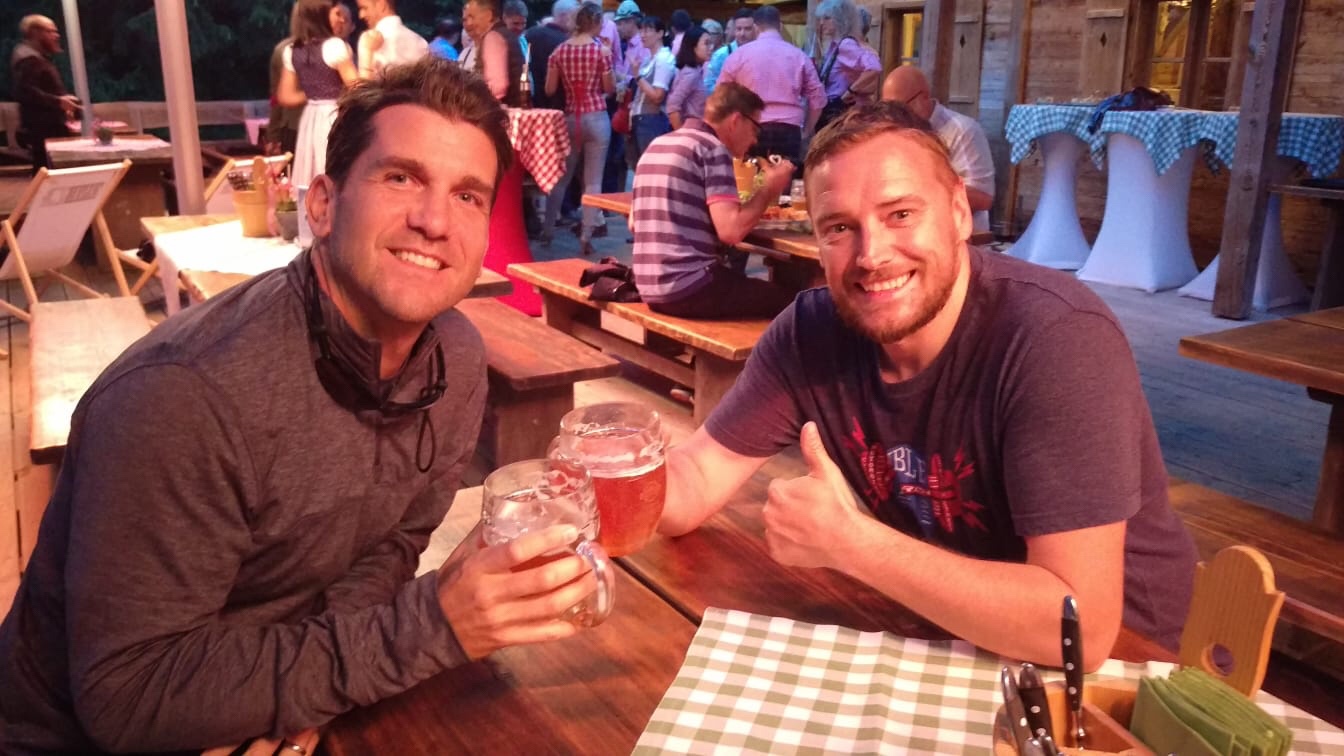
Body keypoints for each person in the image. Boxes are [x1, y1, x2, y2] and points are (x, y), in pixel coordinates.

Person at [0, 57, 604, 755]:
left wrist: (303, 688)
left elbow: (394, 543)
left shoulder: (457, 363)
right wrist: (428, 628)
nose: (434, 220)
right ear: (321, 204)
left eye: (468, 195)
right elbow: (127, 694)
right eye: (400, 177)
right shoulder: (183, 397)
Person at [656, 102, 1199, 665]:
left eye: (900, 214)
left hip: (1126, 666)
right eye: (839, 228)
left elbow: (1078, 631)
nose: (872, 255)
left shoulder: (1056, 338)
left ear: (960, 212)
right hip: (951, 632)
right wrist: (603, 485)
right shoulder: (810, 334)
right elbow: (695, 480)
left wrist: (850, 542)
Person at [631, 83, 796, 319]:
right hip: (689, 287)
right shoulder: (712, 148)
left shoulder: (658, 145)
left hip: (648, 285)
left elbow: (634, 223)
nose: (754, 140)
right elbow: (731, 231)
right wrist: (769, 188)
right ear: (736, 120)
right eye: (755, 129)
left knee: (753, 290)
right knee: (795, 304)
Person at [882, 65, 995, 234]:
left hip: (958, 235)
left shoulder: (963, 130)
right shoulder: (894, 130)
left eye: (900, 108)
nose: (894, 116)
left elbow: (983, 198)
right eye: (889, 109)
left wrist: (917, 193)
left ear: (924, 97)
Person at [543, 1, 614, 255]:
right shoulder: (601, 52)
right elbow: (609, 88)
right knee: (593, 180)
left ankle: (548, 230)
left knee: (562, 177)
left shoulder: (559, 51)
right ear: (595, 23)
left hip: (571, 116)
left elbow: (550, 89)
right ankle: (586, 235)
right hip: (596, 116)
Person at [717, 6, 825, 168]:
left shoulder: (738, 55)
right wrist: (807, 130)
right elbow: (819, 98)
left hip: (750, 126)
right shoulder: (799, 56)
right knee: (785, 179)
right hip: (789, 129)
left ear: (755, 27)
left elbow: (721, 95)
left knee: (751, 178)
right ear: (780, 26)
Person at [277, 0, 359, 187]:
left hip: (311, 116)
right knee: (333, 167)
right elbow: (358, 88)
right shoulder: (335, 46)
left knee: (311, 168)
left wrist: (314, 91)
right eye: (335, 13)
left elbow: (286, 96)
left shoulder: (292, 50)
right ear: (320, 14)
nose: (340, 19)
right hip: (334, 114)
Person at [9, 15, 77, 175]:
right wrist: (58, 102)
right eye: (50, 31)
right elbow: (25, 92)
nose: (56, 36)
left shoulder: (33, 58)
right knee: (47, 175)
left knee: (47, 174)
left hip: (46, 129)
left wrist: (62, 102)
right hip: (43, 130)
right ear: (35, 33)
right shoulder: (28, 61)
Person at [813, 0, 881, 126]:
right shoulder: (835, 46)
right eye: (821, 18)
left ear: (841, 19)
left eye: (827, 18)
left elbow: (874, 67)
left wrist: (850, 92)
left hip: (840, 110)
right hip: (833, 108)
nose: (822, 23)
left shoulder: (846, 44)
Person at [627, 15, 675, 171]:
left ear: (660, 33)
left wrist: (637, 76)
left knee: (649, 168)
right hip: (642, 119)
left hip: (652, 120)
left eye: (647, 30)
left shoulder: (663, 59)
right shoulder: (650, 58)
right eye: (641, 30)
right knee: (640, 168)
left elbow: (657, 96)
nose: (643, 35)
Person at [462, 0, 528, 107]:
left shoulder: (493, 37)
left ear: (488, 15)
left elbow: (497, 87)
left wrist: (471, 103)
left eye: (472, 17)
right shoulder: (505, 34)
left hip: (500, 111)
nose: (469, 23)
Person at [356, 0, 429, 79]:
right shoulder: (421, 42)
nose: (361, 15)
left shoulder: (368, 40)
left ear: (381, 5)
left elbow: (365, 85)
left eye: (364, 8)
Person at [666, 26, 710, 130]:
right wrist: (682, 134)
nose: (710, 47)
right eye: (706, 44)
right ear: (693, 47)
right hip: (690, 129)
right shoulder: (691, 74)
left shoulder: (696, 71)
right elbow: (672, 106)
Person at [704, 7, 754, 92]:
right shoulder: (722, 54)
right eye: (739, 29)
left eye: (747, 29)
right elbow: (708, 86)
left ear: (756, 29)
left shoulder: (760, 53)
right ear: (734, 30)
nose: (742, 33)